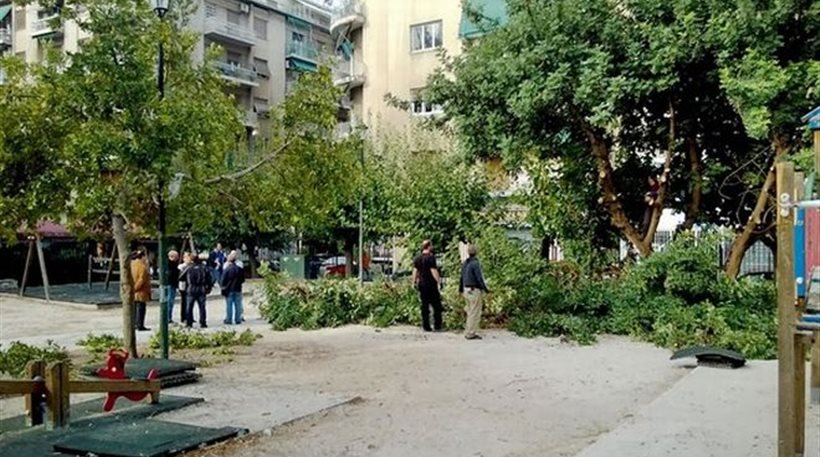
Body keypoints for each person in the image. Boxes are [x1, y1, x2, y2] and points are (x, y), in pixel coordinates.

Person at [459, 244, 490, 340]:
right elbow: (479, 278)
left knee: (469, 311)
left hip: (466, 289)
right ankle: (471, 333)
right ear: (476, 252)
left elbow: (461, 277)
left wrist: (460, 289)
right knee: (475, 311)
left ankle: (468, 330)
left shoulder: (465, 263)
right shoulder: (476, 263)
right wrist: (485, 289)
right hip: (473, 289)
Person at [412, 240, 443, 332]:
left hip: (422, 284)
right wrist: (439, 281)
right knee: (436, 305)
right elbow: (433, 270)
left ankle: (426, 326)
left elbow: (415, 271)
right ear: (428, 246)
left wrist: (413, 282)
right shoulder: (430, 258)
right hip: (431, 284)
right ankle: (437, 325)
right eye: (431, 245)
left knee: (424, 306)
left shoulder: (417, 258)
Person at [185, 252, 214, 328]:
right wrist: (209, 288)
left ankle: (189, 322)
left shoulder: (189, 268)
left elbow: (181, 276)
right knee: (202, 307)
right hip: (201, 289)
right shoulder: (204, 268)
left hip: (191, 289)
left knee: (189, 307)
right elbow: (209, 279)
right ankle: (203, 322)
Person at [221, 250, 245, 325]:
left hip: (229, 289)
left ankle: (229, 319)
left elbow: (223, 280)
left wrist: (223, 286)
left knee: (229, 305)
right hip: (238, 288)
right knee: (238, 304)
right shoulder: (239, 269)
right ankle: (238, 319)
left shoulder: (227, 269)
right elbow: (243, 279)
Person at [131, 249, 152, 331]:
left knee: (135, 308)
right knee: (141, 308)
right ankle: (140, 324)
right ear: (142, 257)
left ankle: (135, 323)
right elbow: (141, 280)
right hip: (141, 291)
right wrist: (135, 288)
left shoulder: (131, 265)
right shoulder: (142, 267)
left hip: (134, 291)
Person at [177, 251, 194, 323]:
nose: (188, 259)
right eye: (187, 257)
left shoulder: (192, 266)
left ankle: (190, 316)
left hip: (190, 286)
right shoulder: (181, 267)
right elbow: (180, 277)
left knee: (190, 303)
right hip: (183, 286)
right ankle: (183, 317)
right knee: (184, 302)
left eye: (189, 258)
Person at [165, 250, 180, 324]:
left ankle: (168, 317)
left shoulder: (170, 264)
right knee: (169, 302)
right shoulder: (170, 265)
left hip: (171, 284)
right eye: (177, 256)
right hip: (170, 284)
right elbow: (171, 274)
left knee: (170, 301)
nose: (178, 258)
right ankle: (168, 318)